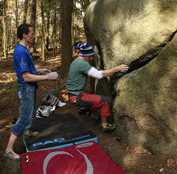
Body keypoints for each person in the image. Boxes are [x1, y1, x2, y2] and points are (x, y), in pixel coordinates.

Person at [4, 24, 58, 161]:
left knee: (32, 111)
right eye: (32, 33)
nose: (33, 36)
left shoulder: (24, 49)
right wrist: (48, 77)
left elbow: (28, 70)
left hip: (30, 88)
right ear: (24, 35)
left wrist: (41, 71)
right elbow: (26, 77)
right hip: (26, 88)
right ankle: (9, 149)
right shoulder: (21, 52)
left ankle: (27, 133)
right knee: (24, 116)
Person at [67, 42, 129, 132]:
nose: (91, 58)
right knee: (106, 101)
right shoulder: (83, 64)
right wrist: (117, 69)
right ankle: (104, 125)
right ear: (84, 55)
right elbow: (99, 75)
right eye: (90, 56)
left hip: (74, 94)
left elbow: (87, 72)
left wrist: (94, 69)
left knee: (93, 96)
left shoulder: (76, 61)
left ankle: (95, 116)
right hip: (77, 97)